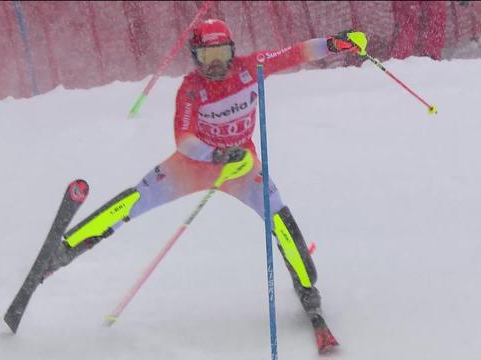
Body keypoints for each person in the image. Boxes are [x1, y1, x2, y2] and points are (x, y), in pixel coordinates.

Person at [42, 19, 363, 336]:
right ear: (196, 57)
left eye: (222, 54)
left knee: (279, 216)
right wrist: (217, 155)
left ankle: (307, 287)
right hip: (194, 165)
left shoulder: (250, 68)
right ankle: (65, 250)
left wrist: (334, 44)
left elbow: (295, 53)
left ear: (233, 51)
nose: (217, 64)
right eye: (208, 57)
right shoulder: (192, 90)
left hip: (241, 168)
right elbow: (184, 139)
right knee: (135, 201)